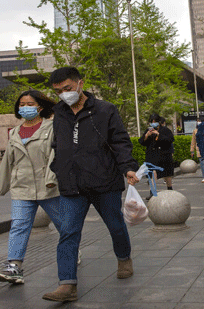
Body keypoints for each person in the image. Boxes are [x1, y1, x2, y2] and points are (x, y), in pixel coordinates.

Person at [43, 67, 139, 303]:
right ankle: (67, 284)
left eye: (67, 88)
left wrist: (127, 167)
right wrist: (58, 168)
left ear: (79, 83)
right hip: (72, 184)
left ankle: (124, 257)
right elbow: (58, 144)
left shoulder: (105, 110)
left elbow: (120, 141)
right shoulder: (59, 113)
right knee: (68, 232)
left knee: (115, 225)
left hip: (104, 180)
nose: (64, 94)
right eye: (58, 91)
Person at [0, 90, 59, 285]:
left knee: (64, 225)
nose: (25, 107)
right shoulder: (14, 132)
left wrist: (51, 178)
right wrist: (2, 185)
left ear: (40, 107)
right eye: (21, 104)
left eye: (29, 104)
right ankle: (14, 267)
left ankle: (71, 250)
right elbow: (8, 161)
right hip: (22, 187)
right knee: (19, 226)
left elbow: (56, 156)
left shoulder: (52, 127)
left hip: (48, 186)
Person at [139, 114, 175, 199]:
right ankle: (152, 191)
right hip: (152, 156)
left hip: (164, 155)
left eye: (155, 122)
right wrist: (147, 135)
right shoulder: (148, 130)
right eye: (151, 122)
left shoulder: (165, 130)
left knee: (167, 174)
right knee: (153, 173)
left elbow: (169, 140)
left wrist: (158, 134)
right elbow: (142, 142)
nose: (153, 123)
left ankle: (170, 188)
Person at [191, 118, 204, 183]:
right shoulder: (195, 130)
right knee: (202, 164)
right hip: (199, 149)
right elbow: (193, 141)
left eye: (200, 121)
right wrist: (192, 150)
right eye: (197, 121)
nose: (198, 122)